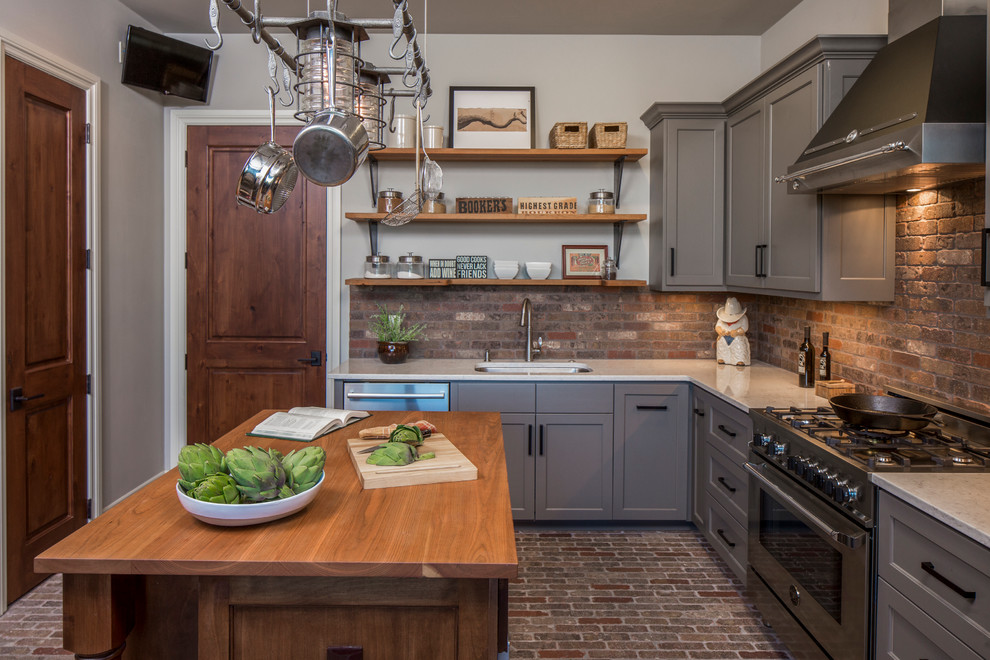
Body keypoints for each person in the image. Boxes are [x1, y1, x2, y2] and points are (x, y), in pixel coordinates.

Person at [715, 297, 750, 366]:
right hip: (724, 337)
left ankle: (739, 359)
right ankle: (723, 358)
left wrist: (737, 332)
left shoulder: (743, 318)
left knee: (738, 345)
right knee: (722, 344)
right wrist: (720, 331)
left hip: (736, 338)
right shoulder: (722, 318)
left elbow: (744, 328)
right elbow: (717, 326)